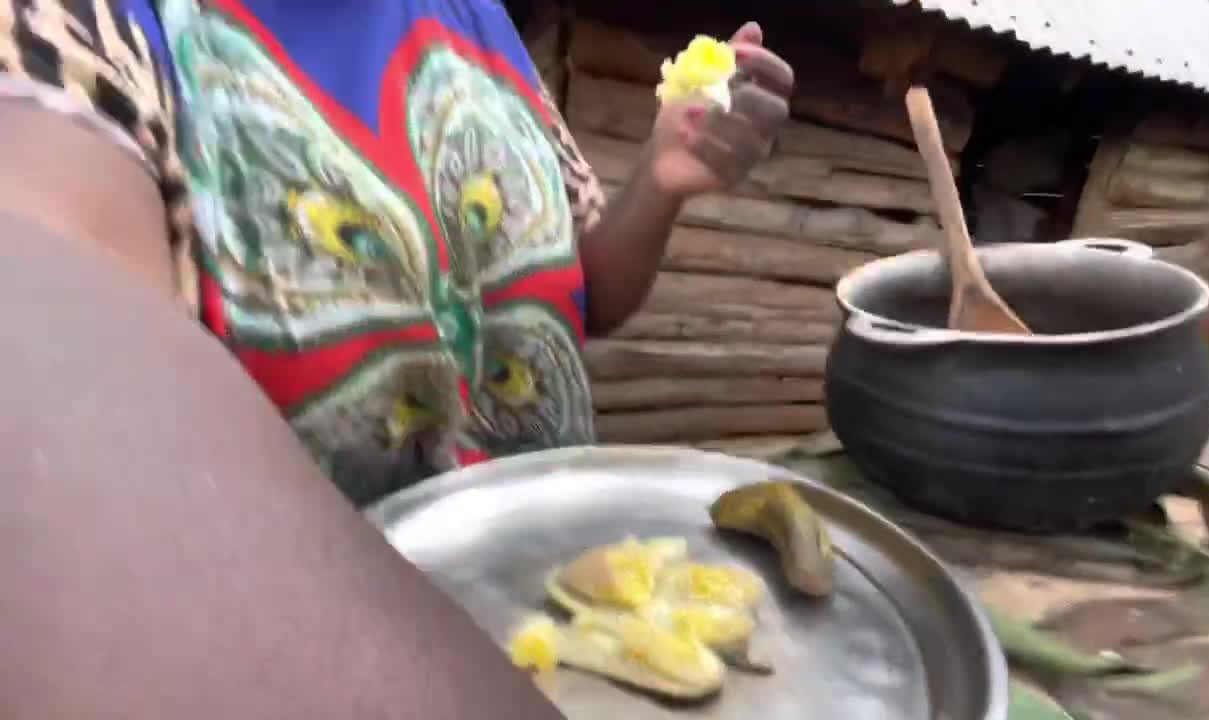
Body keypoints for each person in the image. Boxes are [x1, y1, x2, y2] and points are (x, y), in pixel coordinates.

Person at [0, 0, 793, 717]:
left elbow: (581, 291)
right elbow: (51, 363)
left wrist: (659, 183)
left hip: (577, 623)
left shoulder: (475, 18)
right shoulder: (84, 26)